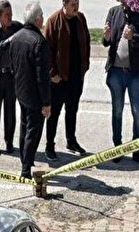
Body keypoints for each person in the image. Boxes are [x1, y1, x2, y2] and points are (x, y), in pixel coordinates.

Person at [101, 0, 139, 165]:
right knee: (117, 111)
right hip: (116, 71)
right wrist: (106, 37)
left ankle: (137, 150)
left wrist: (134, 37)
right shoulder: (113, 12)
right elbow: (107, 42)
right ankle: (117, 147)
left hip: (136, 72)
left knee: (138, 113)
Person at [8, 2, 52, 179]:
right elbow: (43, 77)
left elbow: (13, 64)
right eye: (42, 15)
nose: (43, 18)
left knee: (24, 127)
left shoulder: (16, 37)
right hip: (35, 96)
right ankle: (26, 168)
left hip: (21, 91)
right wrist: (46, 103)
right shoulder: (39, 42)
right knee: (33, 132)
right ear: (37, 18)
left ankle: (25, 162)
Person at [43, 0, 90, 159]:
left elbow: (87, 42)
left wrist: (85, 65)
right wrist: (52, 73)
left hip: (76, 76)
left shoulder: (80, 19)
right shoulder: (53, 21)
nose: (76, 7)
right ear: (64, 4)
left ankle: (71, 141)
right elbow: (46, 49)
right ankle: (50, 145)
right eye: (72, 4)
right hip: (59, 78)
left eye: (77, 3)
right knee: (54, 113)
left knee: (72, 110)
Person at [0, 1, 22, 156]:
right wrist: (9, 41)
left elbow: (27, 30)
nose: (10, 17)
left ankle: (9, 141)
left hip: (10, 75)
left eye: (11, 14)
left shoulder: (16, 27)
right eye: (7, 15)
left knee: (10, 110)